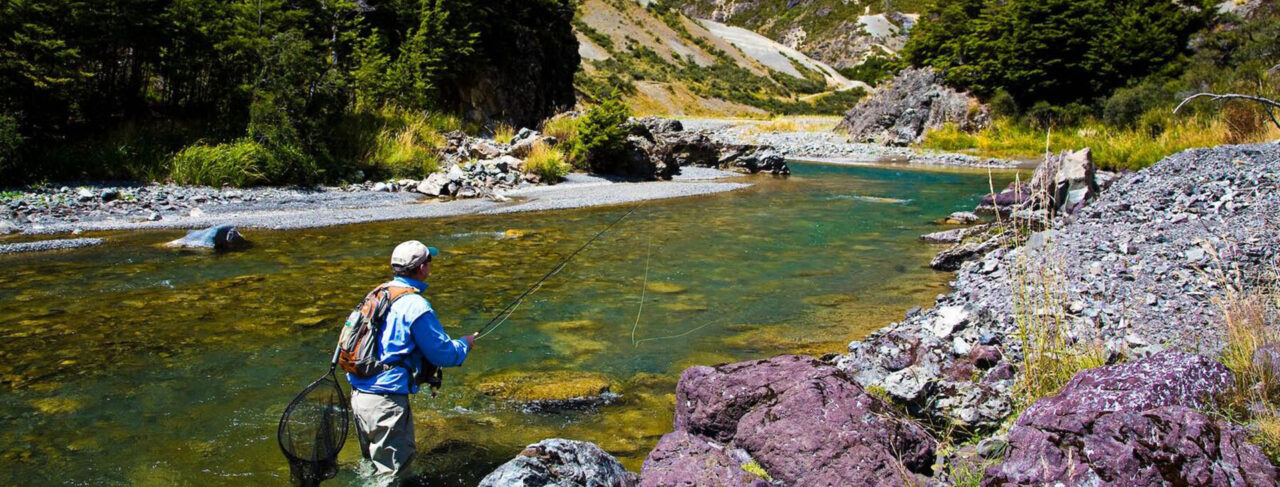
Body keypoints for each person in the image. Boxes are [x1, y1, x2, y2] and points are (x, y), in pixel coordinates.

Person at [348, 240, 474, 480]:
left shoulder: (379, 293)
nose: (430, 267)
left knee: (372, 468)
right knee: (394, 476)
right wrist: (464, 345)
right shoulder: (416, 305)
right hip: (386, 403)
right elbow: (443, 354)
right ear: (422, 268)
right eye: (429, 261)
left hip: (359, 396)